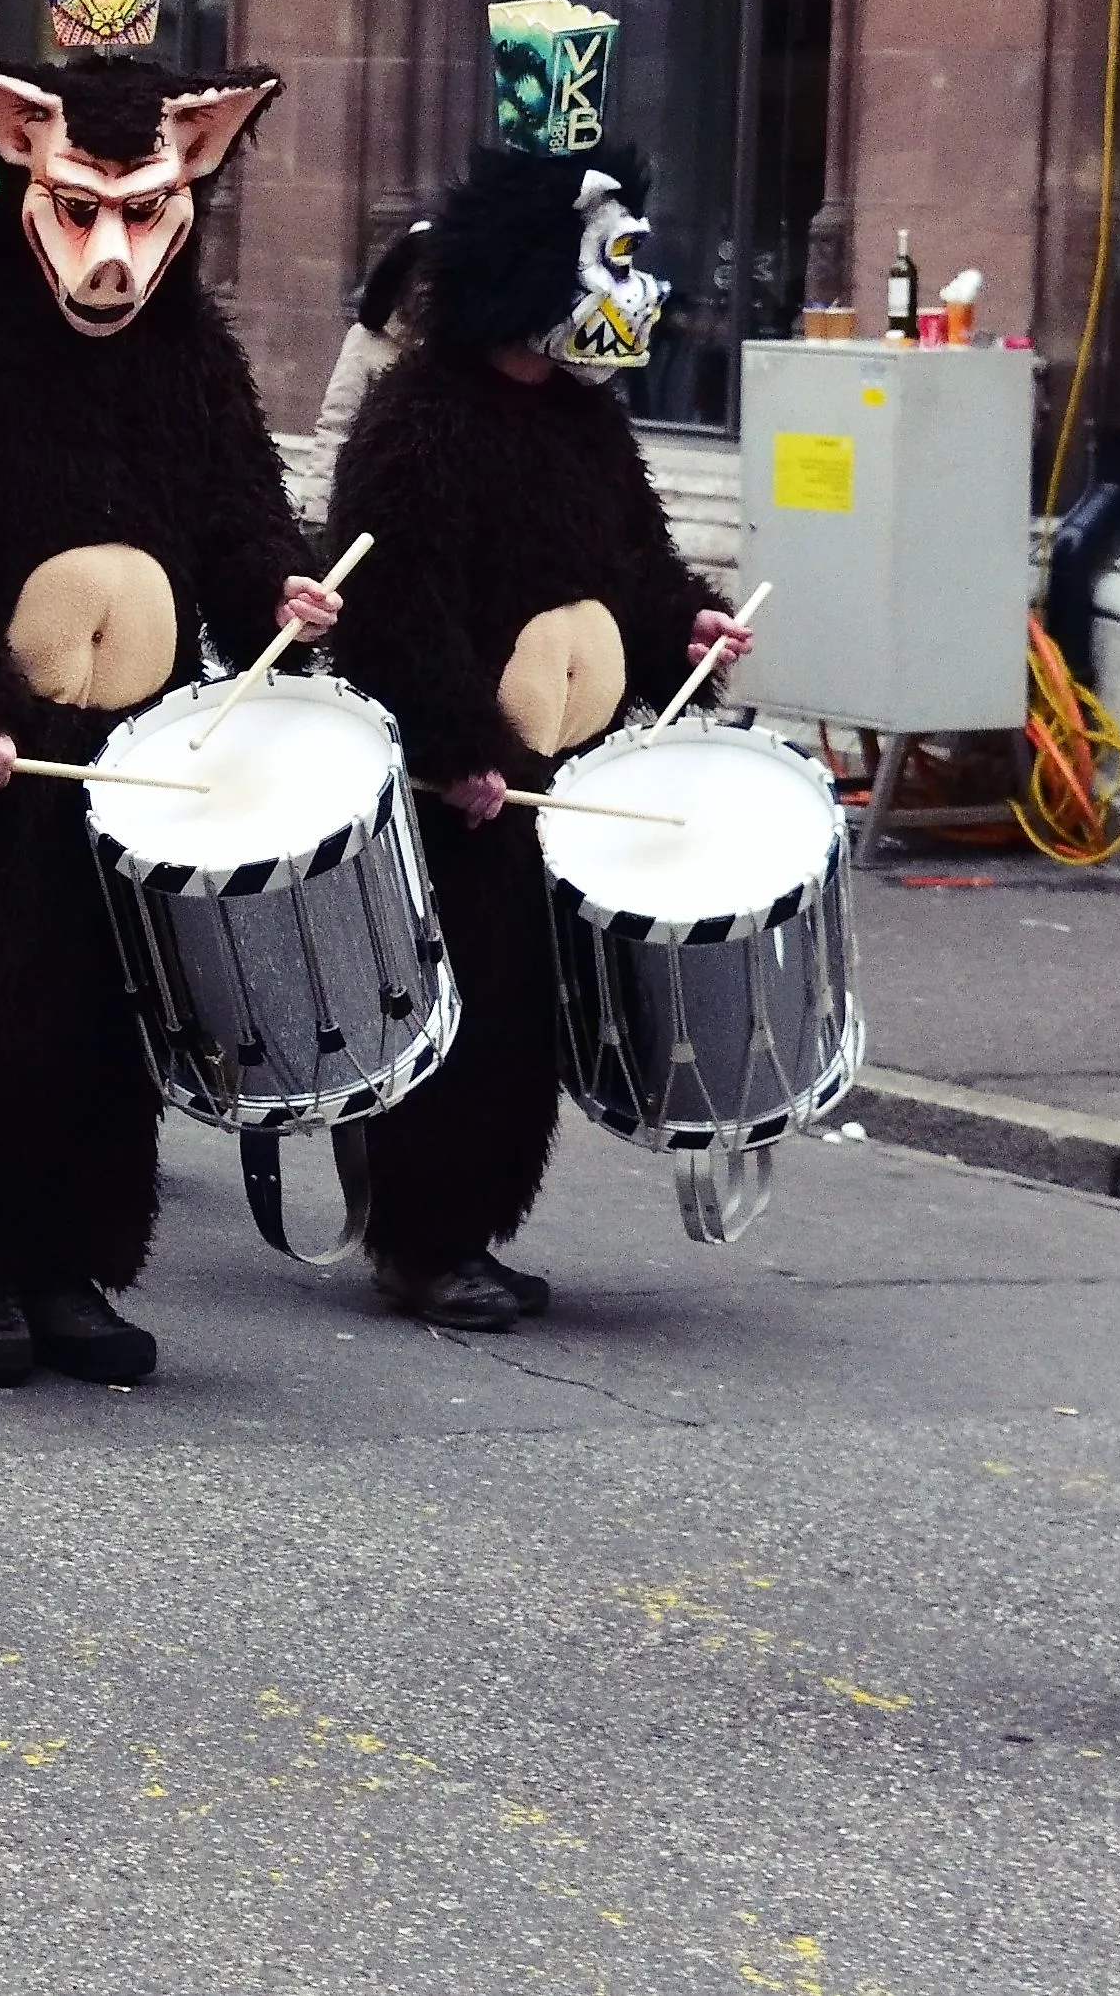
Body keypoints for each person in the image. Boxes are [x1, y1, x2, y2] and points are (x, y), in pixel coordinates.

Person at [0, 52, 332, 1387]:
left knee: (106, 1016)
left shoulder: (197, 355)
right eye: (79, 211)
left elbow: (234, 512)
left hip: (134, 751)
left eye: (141, 211)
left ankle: (73, 1264)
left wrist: (273, 584)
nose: (112, 252)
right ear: (23, 163)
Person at [325, 118, 750, 1335]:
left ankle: (467, 1224)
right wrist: (458, 749)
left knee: (525, 1016)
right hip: (471, 782)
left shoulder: (580, 417)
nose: (631, 285)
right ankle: (423, 1237)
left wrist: (691, 627)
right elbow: (394, 607)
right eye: (606, 257)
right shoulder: (420, 419)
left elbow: (634, 561)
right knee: (468, 1012)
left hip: (559, 772)